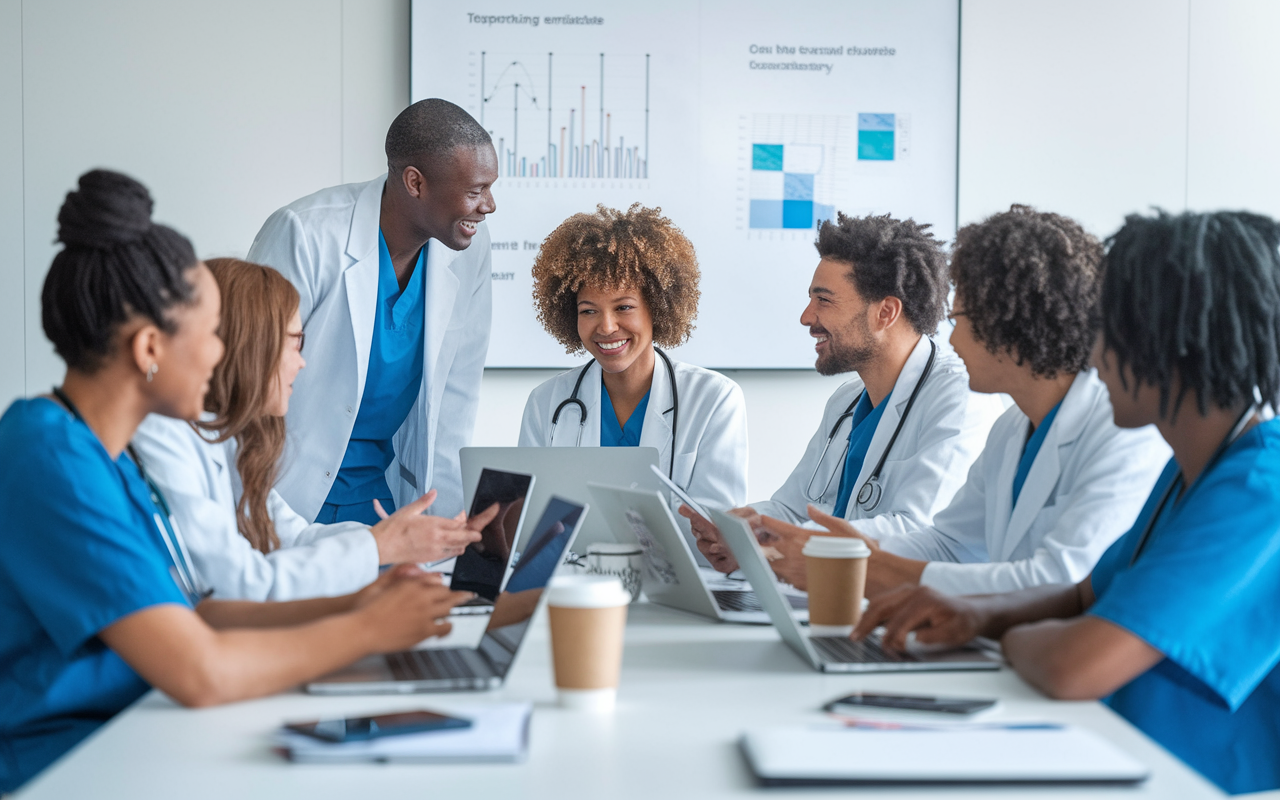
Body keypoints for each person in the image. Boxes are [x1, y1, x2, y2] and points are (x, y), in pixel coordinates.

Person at [0, 170, 476, 794]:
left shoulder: (105, 459)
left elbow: (203, 610)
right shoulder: (50, 455)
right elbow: (201, 670)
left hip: (129, 738)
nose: (223, 357)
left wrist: (362, 602)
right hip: (64, 764)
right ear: (149, 348)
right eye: (209, 338)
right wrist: (368, 628)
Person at [853, 209, 1280, 795]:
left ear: (1172, 340)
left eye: (1110, 328)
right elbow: (1084, 593)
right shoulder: (1194, 470)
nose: (1092, 349)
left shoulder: (1261, 488)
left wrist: (1006, 632)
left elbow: (1074, 664)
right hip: (1109, 750)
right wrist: (980, 613)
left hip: (1191, 779)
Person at [759, 206, 1170, 596]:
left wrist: (843, 559)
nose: (951, 339)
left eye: (959, 321)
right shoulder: (1012, 429)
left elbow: (1058, 581)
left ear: (1011, 321)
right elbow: (949, 545)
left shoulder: (1123, 434)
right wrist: (842, 550)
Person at [131, 258, 489, 601]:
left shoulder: (229, 442)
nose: (302, 362)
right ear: (252, 345)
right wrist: (379, 546)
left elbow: (293, 537)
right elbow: (240, 583)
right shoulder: (168, 438)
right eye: (296, 341)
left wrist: (398, 538)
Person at [687, 212, 1003, 575]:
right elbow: (793, 509)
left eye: (824, 300)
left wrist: (776, 541)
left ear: (885, 313)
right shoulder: (847, 400)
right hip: (824, 590)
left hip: (891, 603)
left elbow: (919, 532)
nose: (806, 317)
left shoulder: (959, 399)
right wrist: (742, 526)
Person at [247, 98, 498, 525]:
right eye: (475, 191)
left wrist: (447, 535)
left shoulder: (469, 252)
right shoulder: (305, 234)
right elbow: (246, 388)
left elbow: (454, 405)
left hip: (379, 506)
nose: (488, 205)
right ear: (415, 183)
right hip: (284, 496)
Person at [518, 204, 748, 512]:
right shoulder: (546, 402)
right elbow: (528, 517)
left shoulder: (715, 399)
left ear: (658, 306)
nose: (607, 327)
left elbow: (716, 531)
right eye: (589, 311)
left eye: (624, 307)